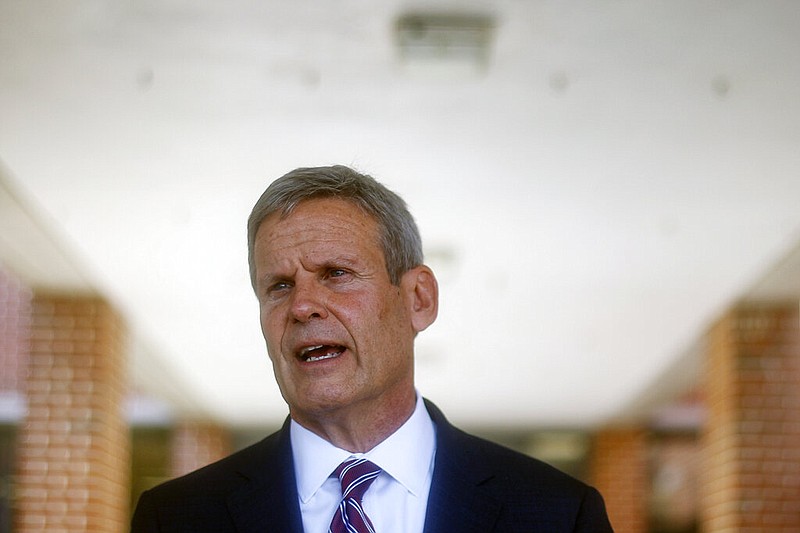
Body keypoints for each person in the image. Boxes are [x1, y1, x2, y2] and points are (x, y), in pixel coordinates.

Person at [131, 165, 614, 532]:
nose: (302, 306)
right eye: (278, 285)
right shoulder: (176, 518)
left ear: (418, 299)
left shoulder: (557, 514)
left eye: (336, 274)